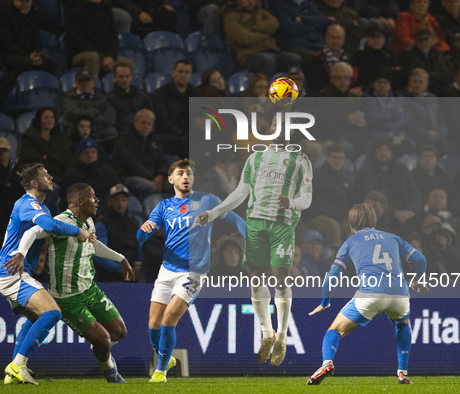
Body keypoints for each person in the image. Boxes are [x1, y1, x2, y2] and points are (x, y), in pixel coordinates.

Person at [198, 118, 313, 367]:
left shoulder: (301, 160)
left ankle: (282, 337)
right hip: (256, 223)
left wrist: (291, 203)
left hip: (281, 224)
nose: (279, 129)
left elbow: (307, 197)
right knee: (256, 278)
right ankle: (267, 334)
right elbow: (240, 192)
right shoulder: (255, 157)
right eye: (274, 125)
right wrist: (215, 213)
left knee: (280, 279)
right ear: (269, 130)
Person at [9, 183, 135, 383]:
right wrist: (20, 254)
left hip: (90, 289)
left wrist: (121, 259)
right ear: (79, 201)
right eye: (93, 197)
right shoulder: (59, 222)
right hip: (67, 298)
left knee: (120, 332)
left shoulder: (89, 222)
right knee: (103, 339)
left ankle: (100, 347)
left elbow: (94, 246)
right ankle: (109, 369)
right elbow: (32, 233)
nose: (97, 200)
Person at [139, 158, 245, 382]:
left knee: (169, 320)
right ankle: (166, 358)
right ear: (171, 179)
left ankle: (161, 371)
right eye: (180, 173)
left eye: (189, 173)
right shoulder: (164, 207)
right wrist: (144, 229)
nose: (186, 177)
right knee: (153, 325)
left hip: (193, 272)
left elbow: (235, 220)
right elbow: (142, 237)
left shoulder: (208, 200)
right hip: (166, 271)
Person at [306, 203, 428, 386]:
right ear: (374, 220)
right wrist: (419, 279)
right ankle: (402, 374)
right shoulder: (392, 238)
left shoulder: (350, 241)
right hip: (400, 294)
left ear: (350, 224)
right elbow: (420, 258)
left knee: (335, 330)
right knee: (402, 325)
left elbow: (332, 277)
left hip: (370, 294)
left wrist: (325, 301)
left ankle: (327, 363)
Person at [0, 162, 89, 385]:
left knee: (36, 317)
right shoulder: (27, 203)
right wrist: (78, 231)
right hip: (11, 272)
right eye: (46, 175)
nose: (51, 176)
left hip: (14, 271)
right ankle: (17, 365)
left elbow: (43, 228)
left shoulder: (42, 207)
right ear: (34, 183)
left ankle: (13, 372)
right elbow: (47, 224)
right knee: (52, 313)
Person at [222, 0, 300, 78]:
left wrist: (253, 29)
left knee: (294, 58)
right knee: (267, 60)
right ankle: (265, 88)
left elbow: (274, 24)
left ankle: (292, 87)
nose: (251, 2)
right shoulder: (230, 17)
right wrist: (266, 34)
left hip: (272, 50)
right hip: (249, 55)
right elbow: (245, 38)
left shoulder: (262, 12)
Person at [113, 109, 168, 201]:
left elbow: (162, 160)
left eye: (149, 124)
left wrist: (161, 175)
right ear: (135, 123)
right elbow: (130, 163)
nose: (146, 126)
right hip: (131, 176)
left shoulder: (154, 139)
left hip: (154, 177)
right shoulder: (124, 139)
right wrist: (152, 178)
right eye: (143, 123)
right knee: (151, 187)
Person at [0, 0, 57, 75]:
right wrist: (28, 55)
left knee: (50, 64)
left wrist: (36, 52)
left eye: (27, 2)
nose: (24, 4)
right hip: (9, 54)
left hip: (29, 53)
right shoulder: (3, 14)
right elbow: (6, 44)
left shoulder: (33, 13)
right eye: (20, 1)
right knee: (27, 63)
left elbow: (35, 38)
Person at [94, 184, 141, 282]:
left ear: (128, 202)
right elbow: (98, 254)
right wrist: (121, 269)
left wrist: (139, 267)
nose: (120, 204)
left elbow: (140, 247)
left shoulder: (134, 223)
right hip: (110, 277)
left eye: (124, 200)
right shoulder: (102, 224)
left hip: (133, 275)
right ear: (109, 202)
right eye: (116, 200)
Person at [62, 70, 118, 148]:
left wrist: (90, 119)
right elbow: (71, 113)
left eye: (88, 80)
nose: (85, 84)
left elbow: (110, 116)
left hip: (102, 132)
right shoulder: (69, 97)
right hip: (80, 133)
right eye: (82, 81)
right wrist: (96, 112)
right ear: (76, 83)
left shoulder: (102, 95)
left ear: (93, 83)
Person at [59, 138, 121, 209]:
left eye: (93, 152)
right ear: (79, 155)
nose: (90, 155)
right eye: (86, 152)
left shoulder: (108, 172)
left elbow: (118, 193)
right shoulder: (72, 174)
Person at [150, 59, 194, 158]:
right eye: (180, 72)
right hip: (167, 134)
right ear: (174, 73)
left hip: (189, 135)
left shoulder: (195, 93)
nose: (183, 75)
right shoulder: (160, 94)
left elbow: (198, 118)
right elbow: (163, 121)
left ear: (191, 75)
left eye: (187, 72)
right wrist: (183, 135)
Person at [19, 106, 72, 185]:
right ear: (39, 120)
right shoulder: (30, 137)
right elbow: (30, 159)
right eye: (46, 118)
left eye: (52, 117)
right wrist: (53, 158)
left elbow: (66, 159)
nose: (49, 120)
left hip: (58, 174)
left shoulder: (60, 138)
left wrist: (48, 157)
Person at [108, 61, 149, 129]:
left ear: (131, 77)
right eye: (121, 77)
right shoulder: (110, 98)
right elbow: (114, 122)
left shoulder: (142, 96)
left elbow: (149, 116)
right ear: (114, 78)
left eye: (127, 76)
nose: (124, 80)